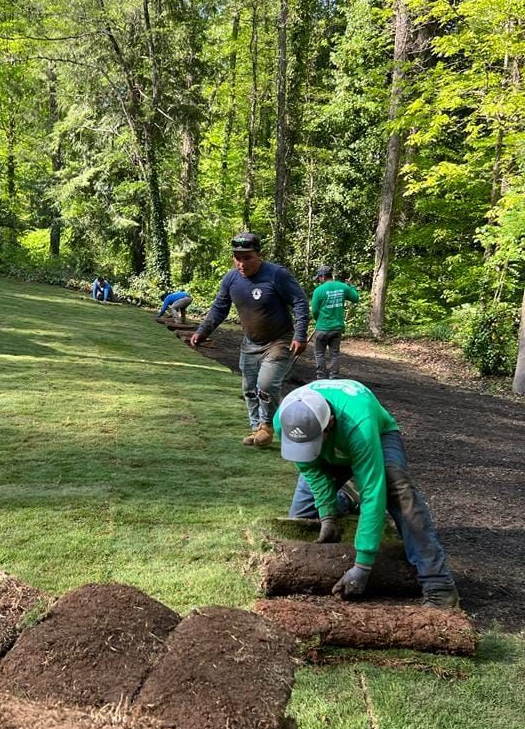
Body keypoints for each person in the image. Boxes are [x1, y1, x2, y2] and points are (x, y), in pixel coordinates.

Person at [273, 380, 460, 608]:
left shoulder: (359, 423)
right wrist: (327, 515)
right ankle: (344, 500)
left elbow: (372, 490)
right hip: (331, 445)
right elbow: (310, 469)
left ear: (329, 424)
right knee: (302, 517)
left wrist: (363, 565)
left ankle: (438, 583)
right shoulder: (285, 419)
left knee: (397, 488)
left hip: (375, 435)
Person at [190, 232, 309, 448]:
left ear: (259, 255)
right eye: (237, 257)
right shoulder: (231, 279)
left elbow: (300, 301)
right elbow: (219, 308)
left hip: (278, 341)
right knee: (249, 388)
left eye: (247, 258)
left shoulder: (276, 275)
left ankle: (266, 426)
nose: (241, 263)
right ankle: (255, 428)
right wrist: (202, 331)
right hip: (250, 343)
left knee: (266, 384)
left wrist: (300, 335)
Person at [311, 265, 359, 379]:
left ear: (323, 277)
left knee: (319, 354)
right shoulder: (343, 287)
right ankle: (334, 377)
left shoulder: (318, 290)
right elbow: (355, 298)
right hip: (337, 328)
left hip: (322, 327)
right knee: (335, 354)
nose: (319, 280)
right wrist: (351, 286)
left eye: (319, 278)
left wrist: (318, 320)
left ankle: (321, 378)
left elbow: (315, 311)